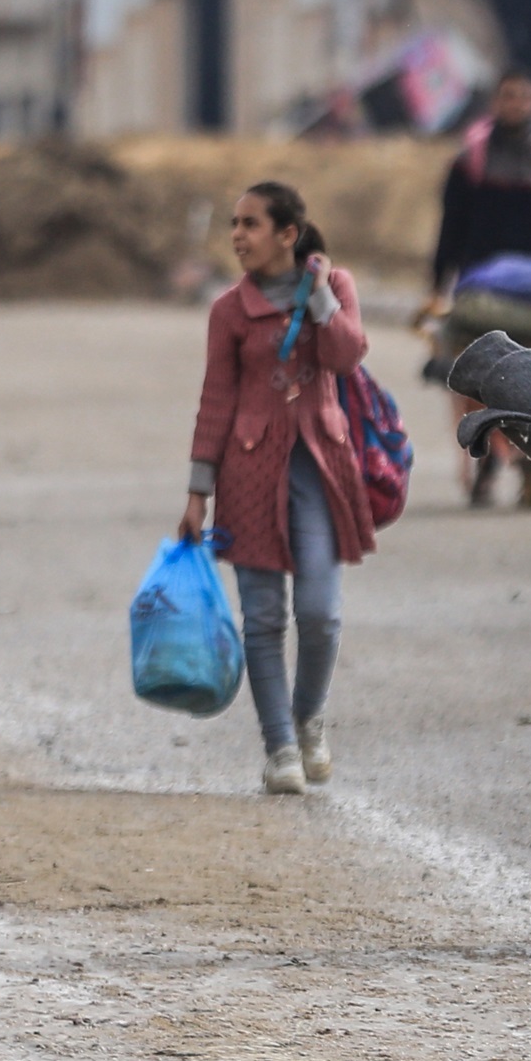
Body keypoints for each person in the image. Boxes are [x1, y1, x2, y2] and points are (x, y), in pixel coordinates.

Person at [180, 182, 375, 794]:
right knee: (263, 617)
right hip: (248, 473)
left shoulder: (335, 287)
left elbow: (347, 356)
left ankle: (308, 717)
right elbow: (215, 401)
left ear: (288, 235)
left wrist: (318, 299)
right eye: (235, 223)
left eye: (252, 224)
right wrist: (196, 493)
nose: (237, 235)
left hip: (319, 470)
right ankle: (280, 748)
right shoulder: (228, 311)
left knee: (319, 613)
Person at [428, 67, 531, 507]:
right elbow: (450, 228)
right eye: (507, 96)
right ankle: (487, 461)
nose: (515, 105)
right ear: (496, 102)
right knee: (479, 386)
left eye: (523, 97)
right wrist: (439, 286)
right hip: (479, 290)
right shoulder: (469, 161)